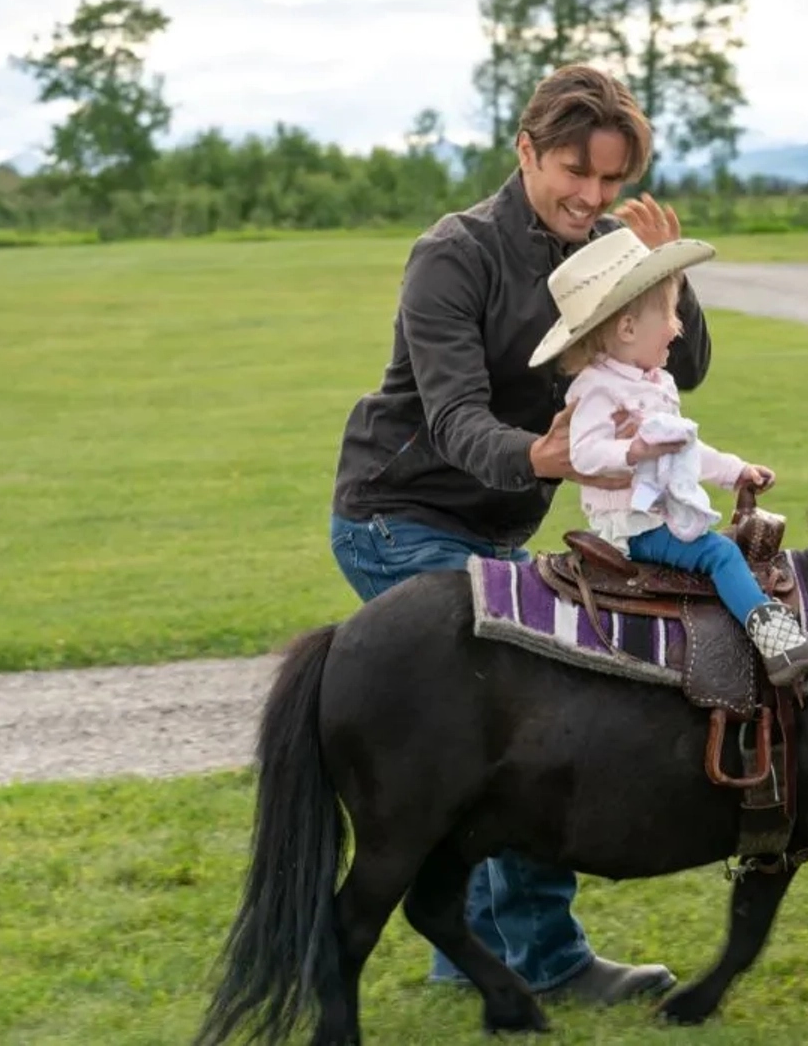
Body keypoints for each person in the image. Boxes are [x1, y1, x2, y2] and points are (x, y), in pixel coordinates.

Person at [327, 64, 706, 1003]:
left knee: (504, 720)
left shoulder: (611, 244)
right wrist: (554, 460)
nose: (593, 196)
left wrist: (673, 278)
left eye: (612, 179)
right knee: (526, 719)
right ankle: (546, 958)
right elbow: (455, 420)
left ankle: (465, 952)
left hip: (500, 524)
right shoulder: (452, 255)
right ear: (526, 150)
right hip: (397, 514)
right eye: (576, 170)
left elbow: (681, 365)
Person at [527, 227, 808, 684]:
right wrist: (632, 450)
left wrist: (737, 470)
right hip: (633, 526)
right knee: (719, 554)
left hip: (661, 514)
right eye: (670, 315)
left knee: (715, 549)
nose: (678, 327)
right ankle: (780, 646)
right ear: (627, 327)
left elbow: (688, 452)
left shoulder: (657, 384)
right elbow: (584, 454)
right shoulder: (597, 390)